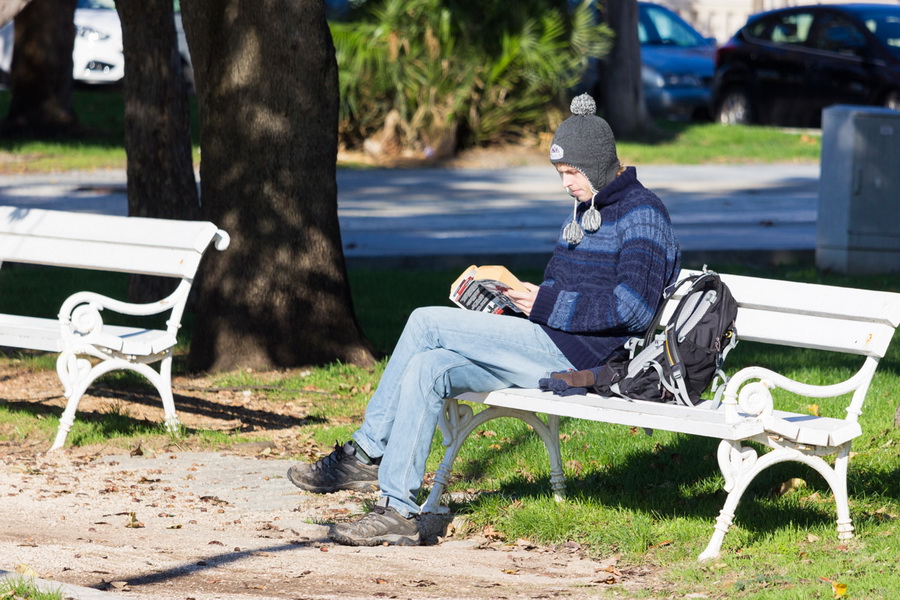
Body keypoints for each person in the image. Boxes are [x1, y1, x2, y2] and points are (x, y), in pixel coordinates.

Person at [286, 93, 681, 546]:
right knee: (428, 367)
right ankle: (397, 510)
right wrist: (510, 302)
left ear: (597, 164)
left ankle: (365, 452)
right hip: (545, 340)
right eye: (560, 173)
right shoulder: (585, 211)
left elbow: (634, 308)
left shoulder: (643, 214)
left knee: (425, 323)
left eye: (571, 172)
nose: (565, 184)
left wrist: (544, 305)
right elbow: (561, 290)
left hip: (579, 358)